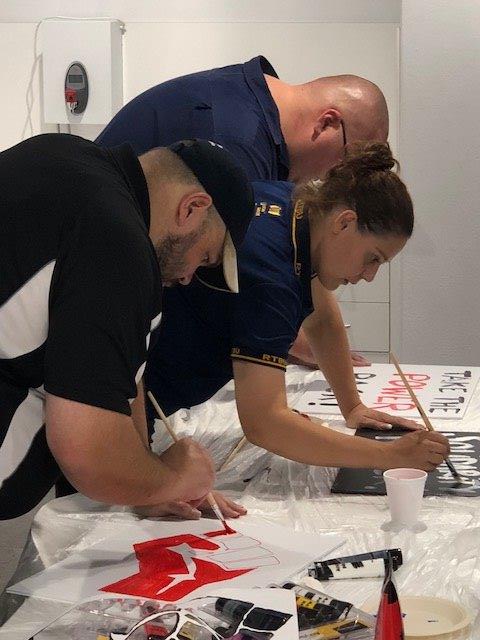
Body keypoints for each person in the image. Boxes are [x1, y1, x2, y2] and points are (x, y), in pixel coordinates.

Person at [146, 143, 450, 490]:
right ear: (345, 222)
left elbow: (322, 317)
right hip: (139, 397)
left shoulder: (294, 204)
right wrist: (390, 456)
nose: (369, 276)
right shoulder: (271, 279)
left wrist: (352, 406)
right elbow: (265, 423)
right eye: (373, 258)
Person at [0, 134, 254, 520]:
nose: (188, 277)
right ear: (192, 208)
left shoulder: (62, 157)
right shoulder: (118, 243)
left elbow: (116, 375)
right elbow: (88, 452)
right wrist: (176, 479)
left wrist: (145, 484)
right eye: (204, 257)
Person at [96, 55, 388, 367]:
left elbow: (298, 268)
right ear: (327, 123)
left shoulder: (255, 111)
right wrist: (303, 346)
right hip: (98, 300)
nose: (331, 178)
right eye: (343, 164)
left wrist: (322, 349)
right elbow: (251, 285)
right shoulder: (238, 143)